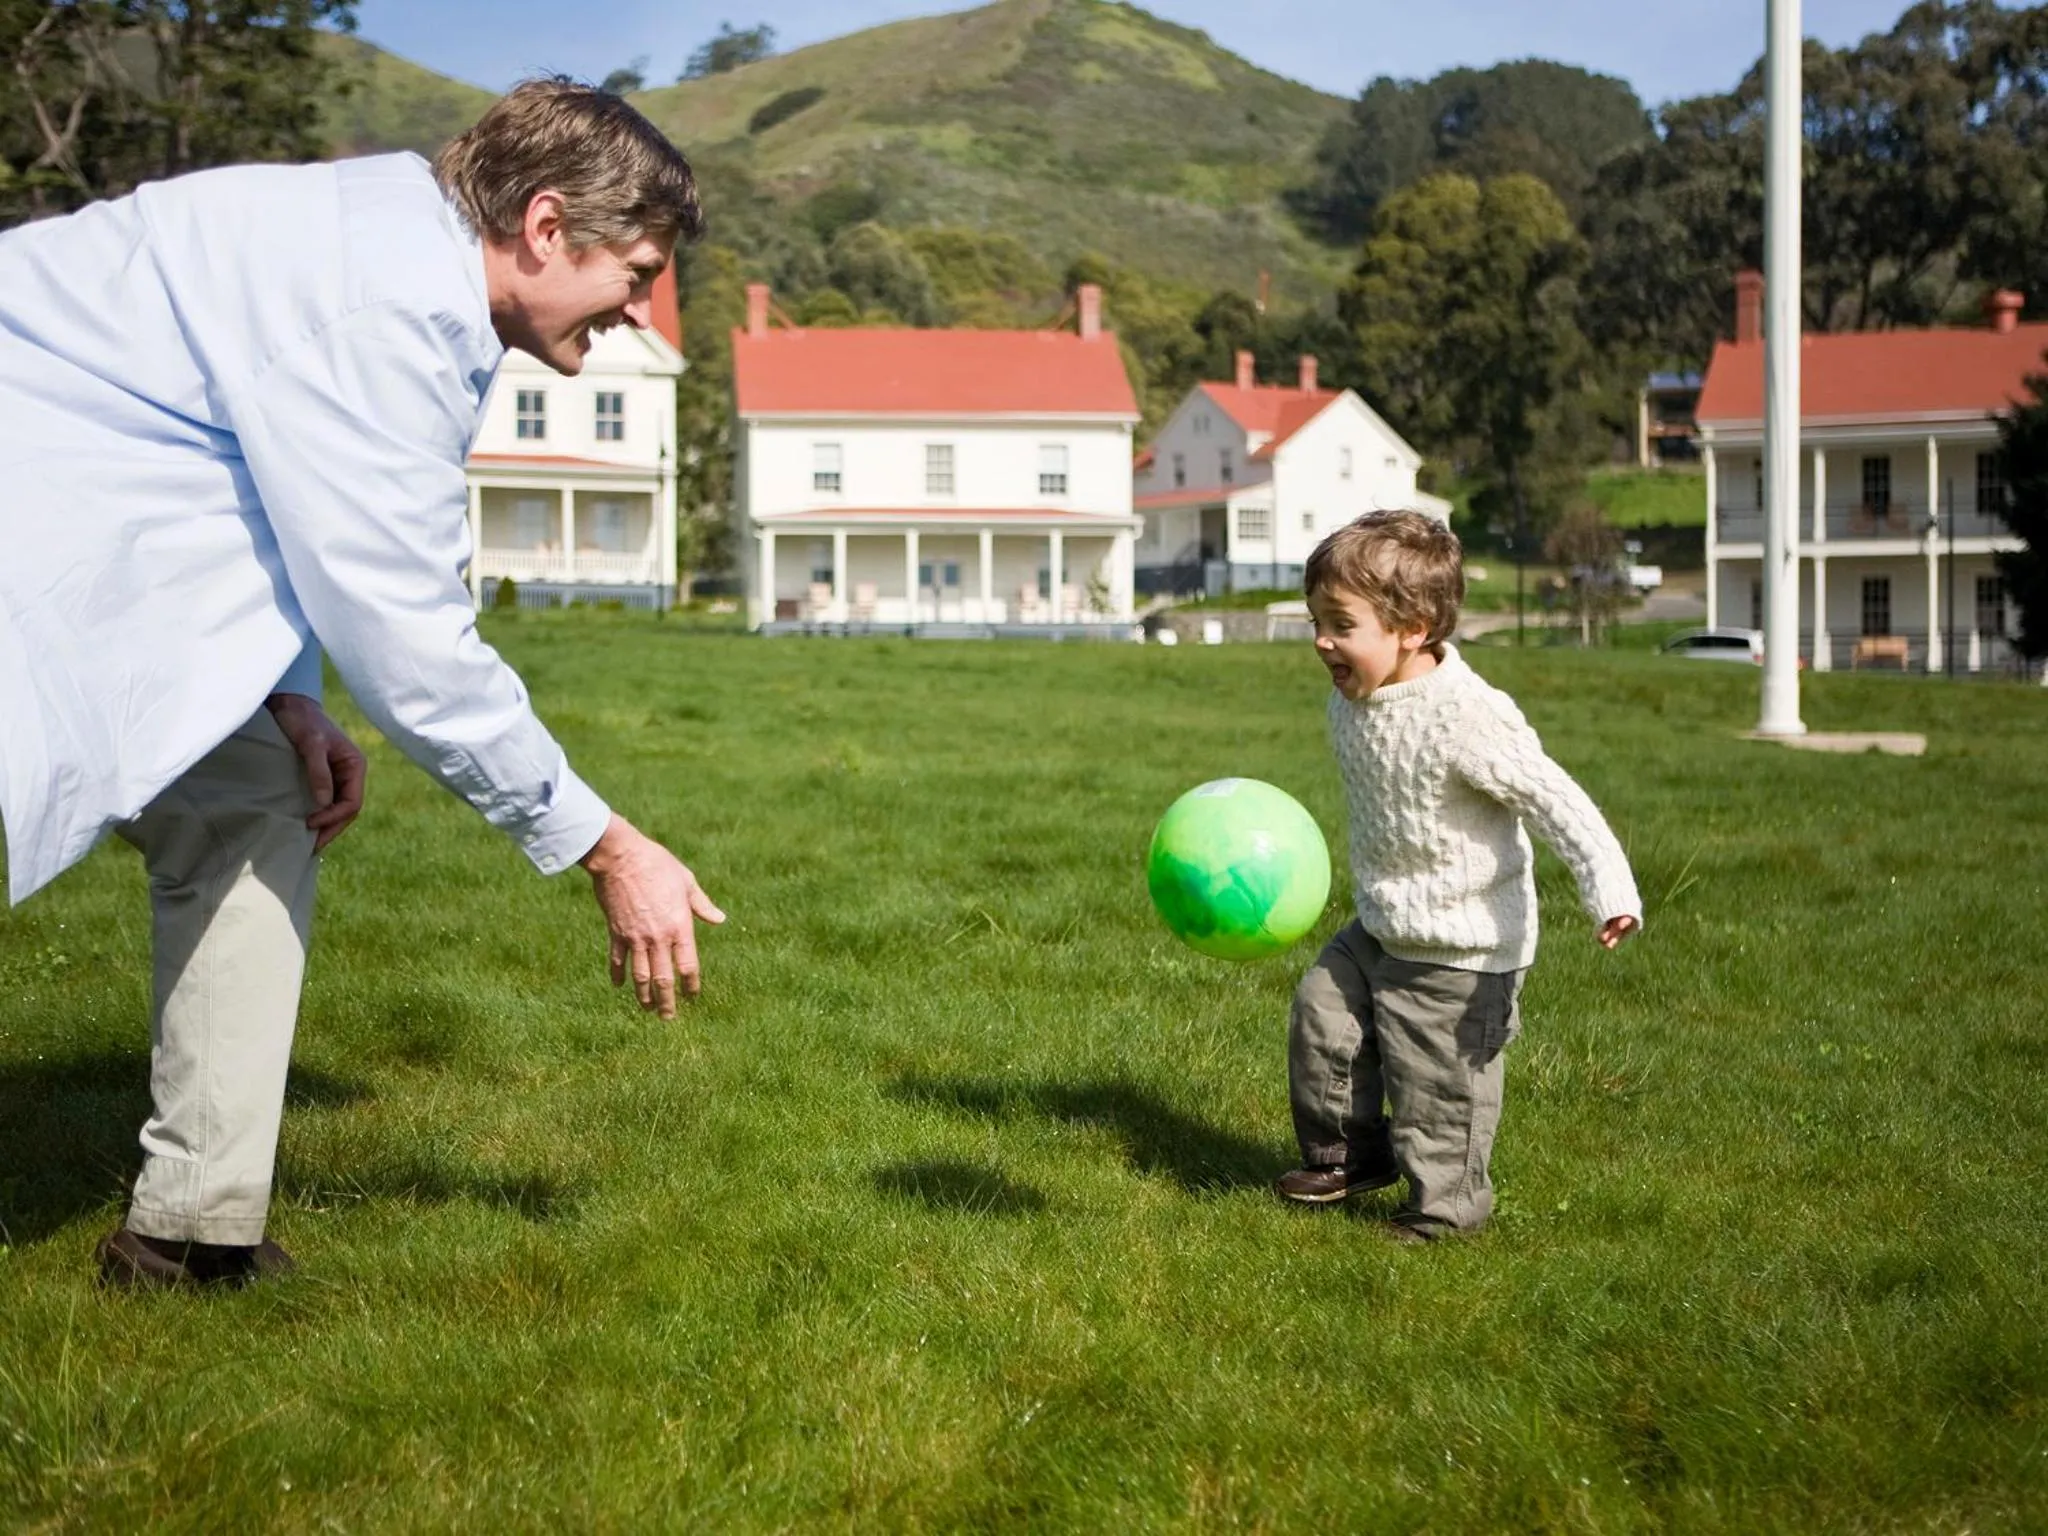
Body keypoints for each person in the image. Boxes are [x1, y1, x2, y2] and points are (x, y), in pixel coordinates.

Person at [0, 79, 724, 1289]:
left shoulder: (398, 255)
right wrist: (605, 848)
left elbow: (261, 487)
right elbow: (411, 639)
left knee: (248, 802)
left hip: (86, 536)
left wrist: (287, 696)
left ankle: (188, 1234)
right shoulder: (389, 305)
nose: (639, 314)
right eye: (636, 272)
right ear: (546, 227)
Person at [1275, 511, 1641, 1242]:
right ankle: (1351, 1157)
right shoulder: (1354, 697)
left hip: (1462, 948)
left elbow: (1555, 799)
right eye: (1317, 620)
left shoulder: (1469, 718)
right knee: (1322, 1019)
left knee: (1439, 1090)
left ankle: (1445, 1215)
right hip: (1381, 922)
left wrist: (1611, 891)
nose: (1322, 641)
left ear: (1411, 628)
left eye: (1341, 625)